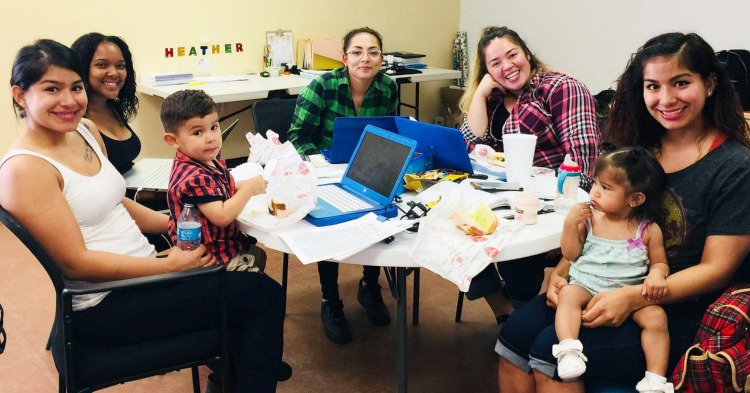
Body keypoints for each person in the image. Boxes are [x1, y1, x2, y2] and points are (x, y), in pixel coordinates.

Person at [0, 39, 288, 393]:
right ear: (19, 95)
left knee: (245, 284)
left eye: (76, 87)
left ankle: (237, 372)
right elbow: (76, 264)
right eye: (51, 89)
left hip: (142, 272)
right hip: (106, 303)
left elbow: (116, 200)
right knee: (262, 295)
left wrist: (178, 225)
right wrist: (170, 266)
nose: (69, 100)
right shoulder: (25, 169)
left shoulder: (84, 132)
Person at [496, 32, 750, 393]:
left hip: (674, 305)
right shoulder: (637, 149)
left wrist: (634, 297)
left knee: (549, 353)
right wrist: (564, 270)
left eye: (681, 83)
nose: (666, 99)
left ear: (709, 84)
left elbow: (716, 269)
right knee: (513, 335)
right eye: (653, 86)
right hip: (600, 279)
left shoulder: (734, 166)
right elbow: (600, 222)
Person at [457, 26, 602, 324]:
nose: (507, 66)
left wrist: (557, 199)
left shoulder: (560, 88)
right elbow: (468, 146)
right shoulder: (494, 99)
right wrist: (482, 92)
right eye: (495, 63)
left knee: (516, 249)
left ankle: (522, 312)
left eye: (512, 55)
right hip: (503, 196)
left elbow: (584, 162)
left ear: (527, 53)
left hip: (556, 202)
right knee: (454, 230)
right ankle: (504, 309)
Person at [287, 26, 398, 344]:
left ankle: (370, 286)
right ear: (344, 57)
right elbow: (298, 134)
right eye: (358, 51)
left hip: (366, 168)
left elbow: (387, 132)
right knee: (328, 227)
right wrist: (317, 163)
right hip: (324, 170)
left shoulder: (387, 87)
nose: (366, 58)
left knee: (379, 214)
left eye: (373, 52)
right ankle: (330, 300)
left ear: (381, 58)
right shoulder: (323, 85)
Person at [554, 147, 672, 392]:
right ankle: (568, 350)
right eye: (596, 183)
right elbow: (571, 254)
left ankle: (655, 379)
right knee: (568, 295)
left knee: (657, 317)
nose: (594, 191)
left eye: (606, 188)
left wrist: (657, 274)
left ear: (635, 199)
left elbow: (659, 262)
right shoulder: (591, 219)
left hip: (629, 294)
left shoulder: (648, 230)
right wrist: (569, 225)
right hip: (586, 284)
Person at [161, 89, 268, 271]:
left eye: (214, 127)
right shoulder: (196, 177)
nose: (211, 138)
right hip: (212, 257)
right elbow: (222, 216)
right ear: (173, 140)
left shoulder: (203, 160)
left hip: (217, 246)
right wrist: (248, 189)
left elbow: (217, 190)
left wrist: (239, 187)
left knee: (257, 255)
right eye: (197, 133)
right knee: (257, 260)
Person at [71, 33, 140, 175]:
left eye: (120, 66)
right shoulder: (74, 121)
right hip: (115, 195)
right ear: (82, 69)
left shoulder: (113, 107)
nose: (114, 73)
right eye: (102, 65)